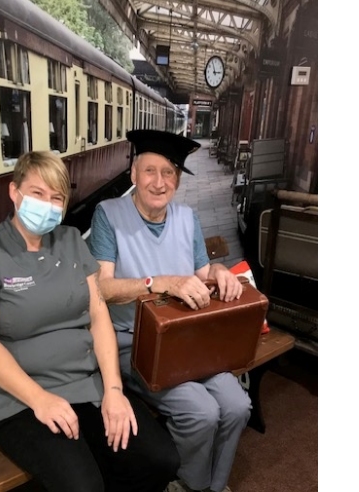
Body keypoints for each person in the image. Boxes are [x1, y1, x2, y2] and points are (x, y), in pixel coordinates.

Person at [0, 150, 180, 492]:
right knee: (83, 486)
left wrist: (114, 391)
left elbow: (99, 316)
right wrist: (39, 398)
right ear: (14, 193)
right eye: (37, 193)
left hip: (86, 384)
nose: (48, 204)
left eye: (56, 197)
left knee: (161, 459)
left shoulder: (71, 241)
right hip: (22, 399)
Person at [87, 130, 251, 492]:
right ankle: (190, 485)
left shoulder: (186, 218)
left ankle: (215, 485)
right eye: (150, 171)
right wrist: (157, 282)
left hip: (185, 341)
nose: (159, 182)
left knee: (237, 404)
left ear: (177, 180)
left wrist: (221, 272)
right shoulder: (108, 215)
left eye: (168, 173)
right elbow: (102, 288)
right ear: (133, 174)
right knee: (202, 411)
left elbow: (202, 272)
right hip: (135, 346)